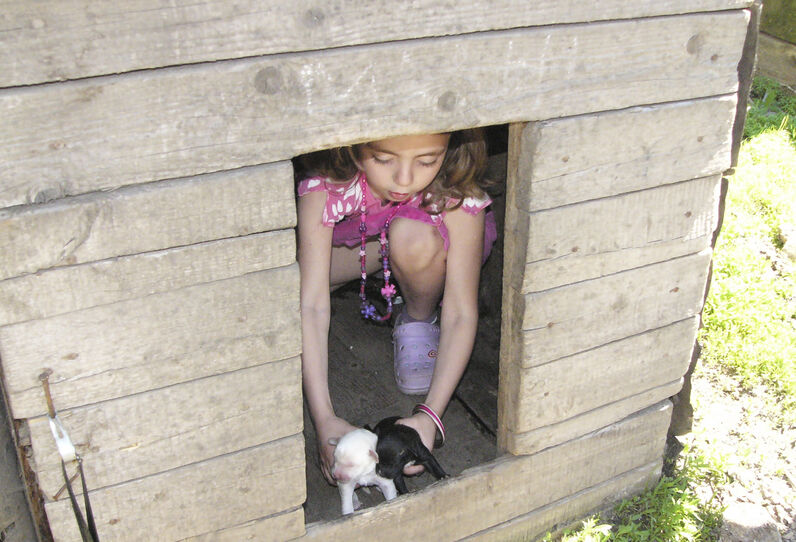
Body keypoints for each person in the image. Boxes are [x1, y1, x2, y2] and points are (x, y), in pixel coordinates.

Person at [296, 129, 497, 485]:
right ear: (354, 148)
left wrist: (430, 417)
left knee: (411, 237)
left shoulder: (454, 191)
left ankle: (418, 313)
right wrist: (323, 418)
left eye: (427, 160)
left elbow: (462, 312)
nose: (404, 179)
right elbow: (310, 306)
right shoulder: (328, 187)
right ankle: (388, 274)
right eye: (383, 159)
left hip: (426, 242)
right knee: (292, 281)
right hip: (365, 242)